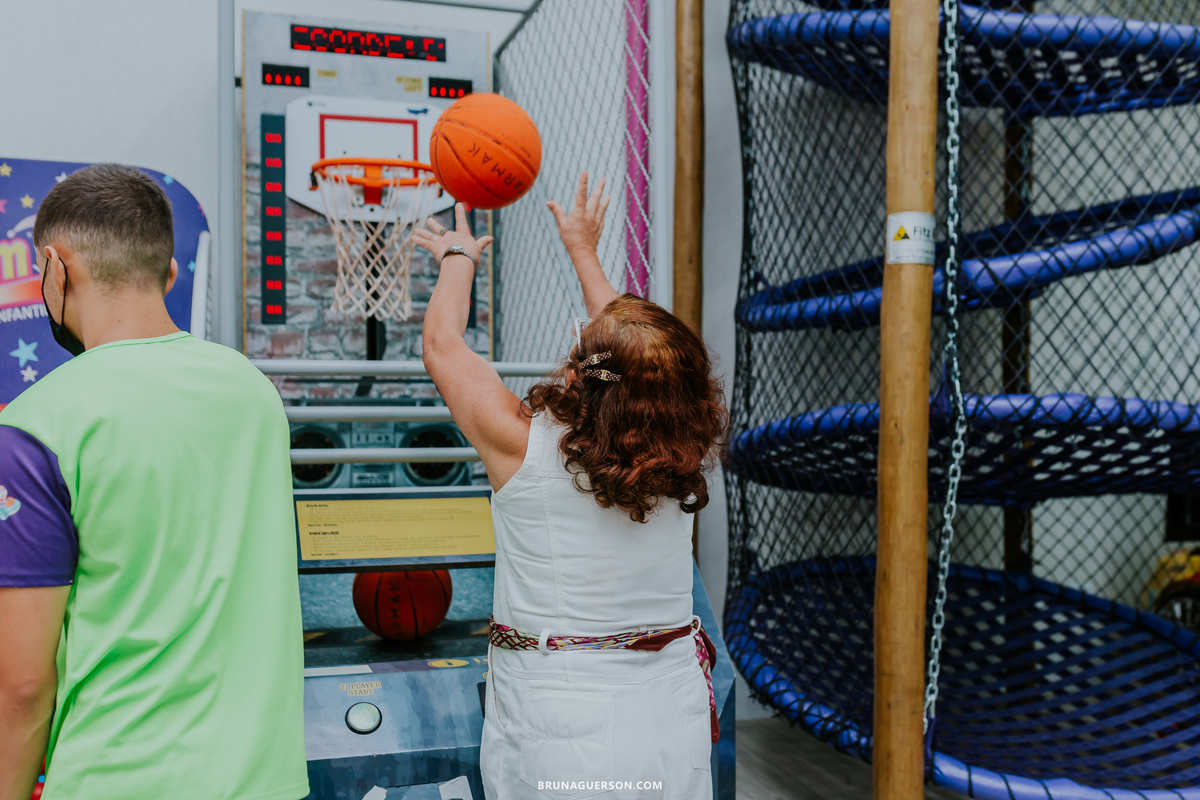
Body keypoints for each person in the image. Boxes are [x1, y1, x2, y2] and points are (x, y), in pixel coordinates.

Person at [414, 172, 728, 799]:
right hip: (673, 708)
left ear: (593, 374)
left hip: (568, 723)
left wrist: (458, 256)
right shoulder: (677, 451)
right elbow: (635, 361)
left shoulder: (522, 445)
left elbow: (442, 344)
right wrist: (582, 249)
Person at [0, 165, 308, 800]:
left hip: (119, 780)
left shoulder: (34, 424)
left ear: (56, 269)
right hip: (263, 780)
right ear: (168, 273)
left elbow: (23, 686)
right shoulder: (252, 392)